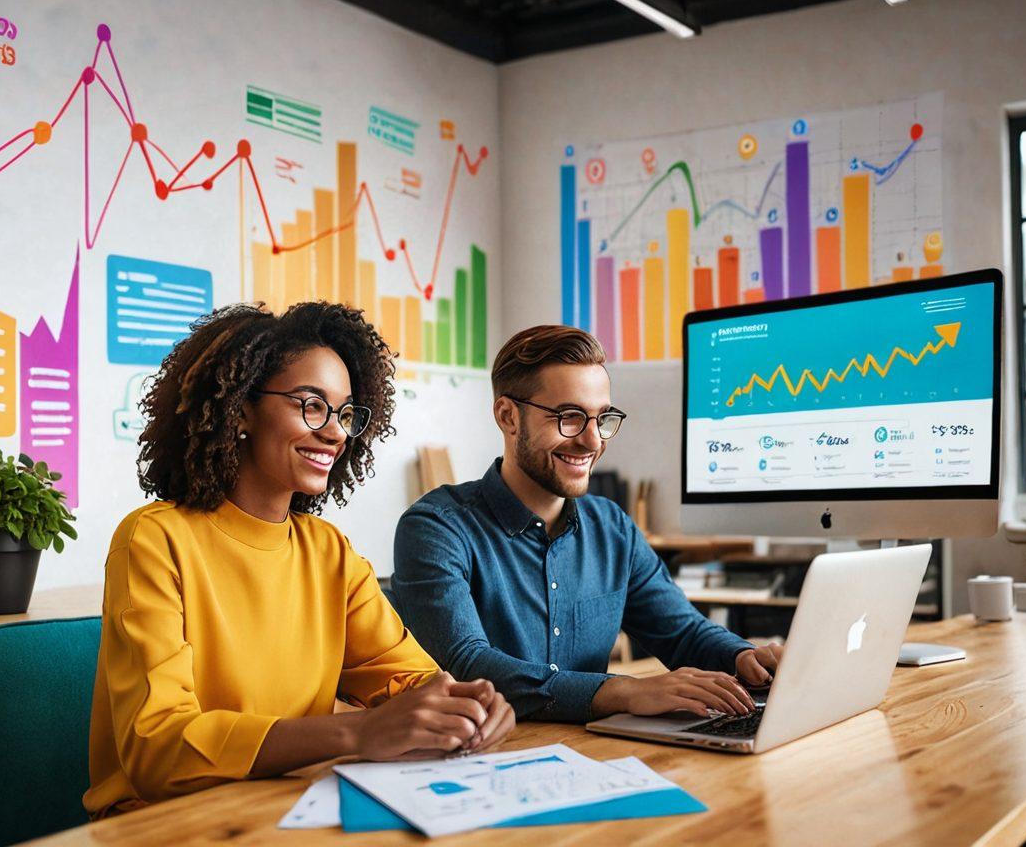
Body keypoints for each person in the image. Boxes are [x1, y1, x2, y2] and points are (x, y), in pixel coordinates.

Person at [84, 302, 514, 818]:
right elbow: (158, 748)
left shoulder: (329, 552)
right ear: (241, 408)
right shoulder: (154, 539)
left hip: (284, 803)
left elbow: (407, 677)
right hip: (157, 820)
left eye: (346, 414)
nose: (335, 432)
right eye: (311, 405)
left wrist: (465, 708)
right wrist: (356, 731)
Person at [391, 324, 782, 723]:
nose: (593, 441)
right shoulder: (436, 528)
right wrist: (623, 690)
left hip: (590, 750)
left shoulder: (613, 529)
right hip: (482, 751)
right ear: (508, 416)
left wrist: (745, 657)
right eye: (569, 417)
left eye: (602, 418)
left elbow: (682, 633)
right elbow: (467, 664)